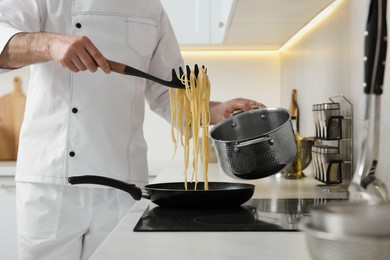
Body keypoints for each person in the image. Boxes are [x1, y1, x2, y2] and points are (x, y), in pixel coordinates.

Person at [0, 1, 265, 259]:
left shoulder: (151, 8)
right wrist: (50, 43)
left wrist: (213, 110)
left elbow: (167, 91)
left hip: (123, 187)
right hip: (51, 183)